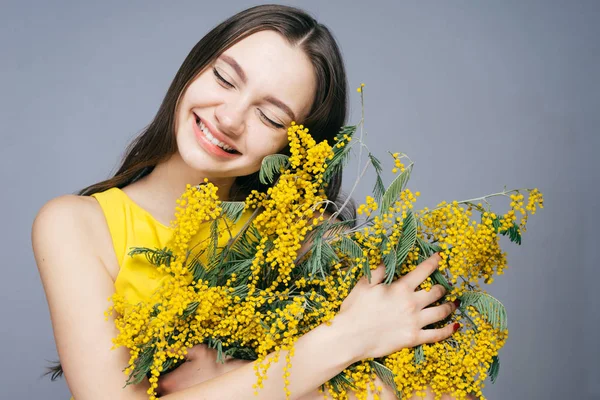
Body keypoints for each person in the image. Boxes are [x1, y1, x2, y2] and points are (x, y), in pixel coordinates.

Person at [32, 5, 471, 400]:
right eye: (224, 77)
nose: (228, 117)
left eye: (270, 115)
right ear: (195, 67)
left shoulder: (308, 238)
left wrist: (229, 373)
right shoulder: (75, 226)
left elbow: (444, 393)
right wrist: (345, 339)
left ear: (297, 144)